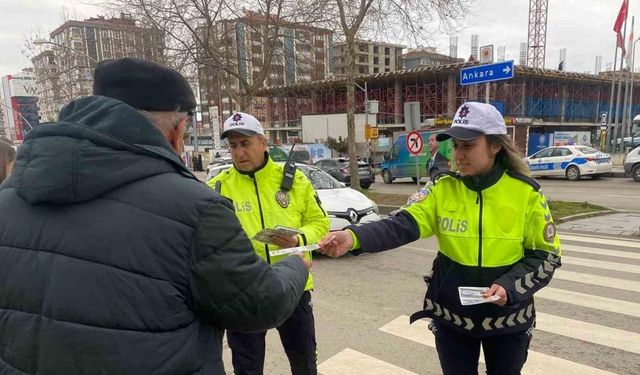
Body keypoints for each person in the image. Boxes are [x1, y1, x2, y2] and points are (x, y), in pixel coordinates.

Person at [0, 58, 310, 375]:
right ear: (177, 130)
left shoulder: (7, 199)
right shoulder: (195, 207)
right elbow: (259, 304)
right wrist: (297, 264)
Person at [318, 102, 562, 375]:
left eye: (468, 146)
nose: (459, 154)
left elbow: (547, 255)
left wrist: (509, 286)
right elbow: (401, 225)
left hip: (509, 319)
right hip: (452, 319)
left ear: (495, 146)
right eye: (456, 146)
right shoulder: (442, 189)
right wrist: (353, 237)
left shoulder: (525, 193)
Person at [207, 112, 330, 375]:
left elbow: (320, 223)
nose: (239, 152)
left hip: (293, 287)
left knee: (304, 363)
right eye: (233, 145)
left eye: (245, 143)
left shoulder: (294, 180)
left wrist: (299, 239)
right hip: (244, 291)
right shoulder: (218, 187)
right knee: (247, 368)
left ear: (264, 143)